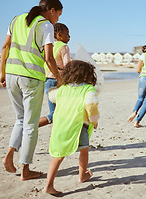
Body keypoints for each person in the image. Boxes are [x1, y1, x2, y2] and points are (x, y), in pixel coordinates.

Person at [0, 0, 63, 180]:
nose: (57, 18)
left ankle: (9, 155)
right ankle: (25, 170)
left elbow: (5, 47)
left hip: (11, 75)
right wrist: (59, 78)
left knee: (20, 119)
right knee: (30, 125)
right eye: (58, 14)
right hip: (31, 79)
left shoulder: (16, 19)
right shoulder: (46, 25)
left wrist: (2, 73)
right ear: (51, 10)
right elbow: (49, 58)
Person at [43, 60, 99, 195]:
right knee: (84, 151)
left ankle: (48, 185)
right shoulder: (88, 89)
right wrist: (94, 121)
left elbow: (51, 96)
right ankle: (82, 176)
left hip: (61, 125)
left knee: (58, 155)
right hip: (80, 126)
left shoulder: (62, 89)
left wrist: (55, 86)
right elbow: (91, 106)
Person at [39, 23, 71, 127]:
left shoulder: (49, 46)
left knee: (56, 113)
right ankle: (30, 126)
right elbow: (67, 66)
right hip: (59, 81)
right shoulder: (64, 47)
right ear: (58, 34)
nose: (69, 36)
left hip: (47, 80)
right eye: (67, 34)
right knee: (55, 114)